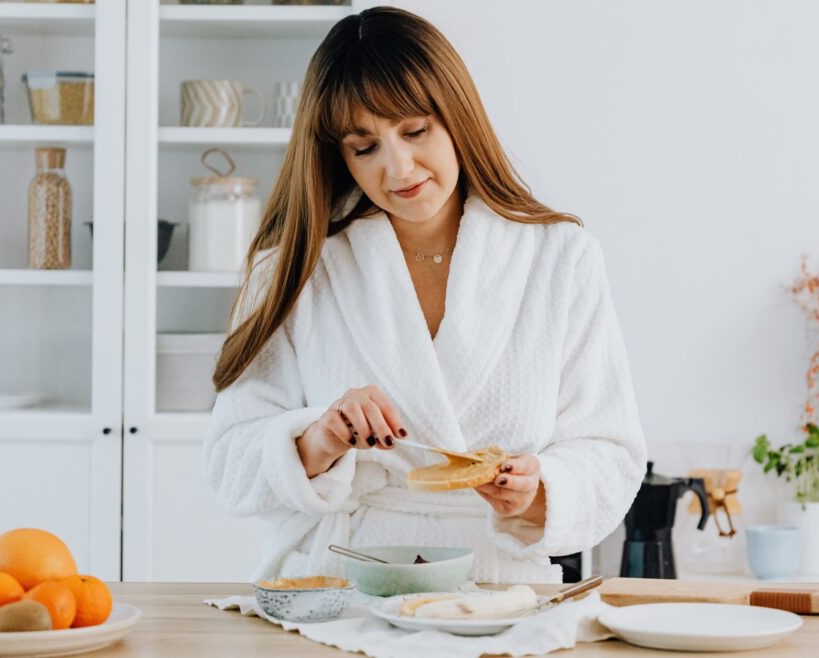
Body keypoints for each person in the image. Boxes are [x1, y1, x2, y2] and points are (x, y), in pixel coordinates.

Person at [202, 6, 645, 584]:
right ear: (338, 156)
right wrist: (323, 436)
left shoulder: (560, 258)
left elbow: (610, 451)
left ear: (457, 115)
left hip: (498, 590)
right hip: (341, 582)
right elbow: (230, 462)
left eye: (415, 131)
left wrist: (536, 493)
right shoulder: (295, 267)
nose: (398, 167)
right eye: (365, 148)